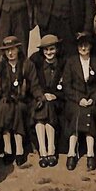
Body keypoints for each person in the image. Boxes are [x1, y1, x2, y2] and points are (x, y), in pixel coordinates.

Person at [0, 36, 41, 165]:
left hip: (23, 98)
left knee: (19, 108)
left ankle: (19, 148)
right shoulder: (1, 66)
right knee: (4, 107)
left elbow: (34, 85)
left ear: (18, 49)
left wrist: (39, 97)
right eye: (7, 50)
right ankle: (7, 148)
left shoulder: (27, 64)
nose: (10, 53)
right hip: (6, 98)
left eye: (13, 49)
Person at [62, 33, 96, 171]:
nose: (83, 47)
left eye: (86, 44)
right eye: (81, 45)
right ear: (77, 47)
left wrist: (92, 98)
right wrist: (79, 99)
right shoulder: (71, 62)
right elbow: (67, 86)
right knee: (78, 112)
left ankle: (90, 153)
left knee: (89, 111)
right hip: (75, 100)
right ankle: (71, 152)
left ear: (91, 46)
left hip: (92, 99)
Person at [30, 35, 66, 167]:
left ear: (56, 49)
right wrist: (42, 96)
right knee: (43, 106)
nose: (49, 53)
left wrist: (55, 95)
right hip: (39, 99)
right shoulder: (36, 63)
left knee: (49, 106)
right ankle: (44, 151)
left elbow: (67, 85)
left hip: (58, 100)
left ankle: (50, 149)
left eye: (51, 49)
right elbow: (33, 84)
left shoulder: (63, 63)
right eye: (46, 50)